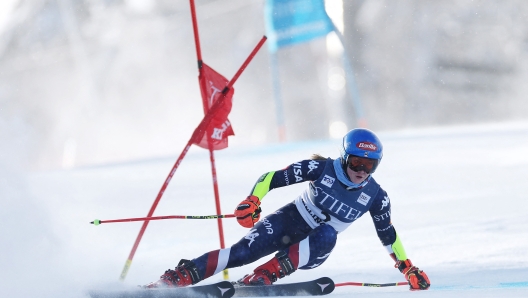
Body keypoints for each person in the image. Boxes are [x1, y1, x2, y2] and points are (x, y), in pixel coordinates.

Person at [146, 128, 430, 290]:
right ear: (345, 158)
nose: (361, 171)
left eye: (369, 166)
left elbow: (388, 235)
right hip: (289, 220)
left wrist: (407, 268)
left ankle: (266, 274)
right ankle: (176, 277)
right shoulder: (321, 168)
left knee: (328, 233)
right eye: (356, 162)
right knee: (240, 253)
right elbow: (270, 178)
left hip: (315, 246)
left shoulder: (375, 196)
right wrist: (253, 201)